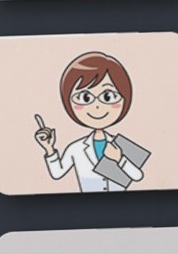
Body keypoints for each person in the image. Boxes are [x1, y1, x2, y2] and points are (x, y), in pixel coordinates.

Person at [34, 51, 149, 192]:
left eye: (107, 97)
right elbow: (57, 173)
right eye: (85, 98)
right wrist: (49, 148)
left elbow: (138, 176)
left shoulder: (120, 144)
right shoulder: (75, 148)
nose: (97, 106)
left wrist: (119, 158)